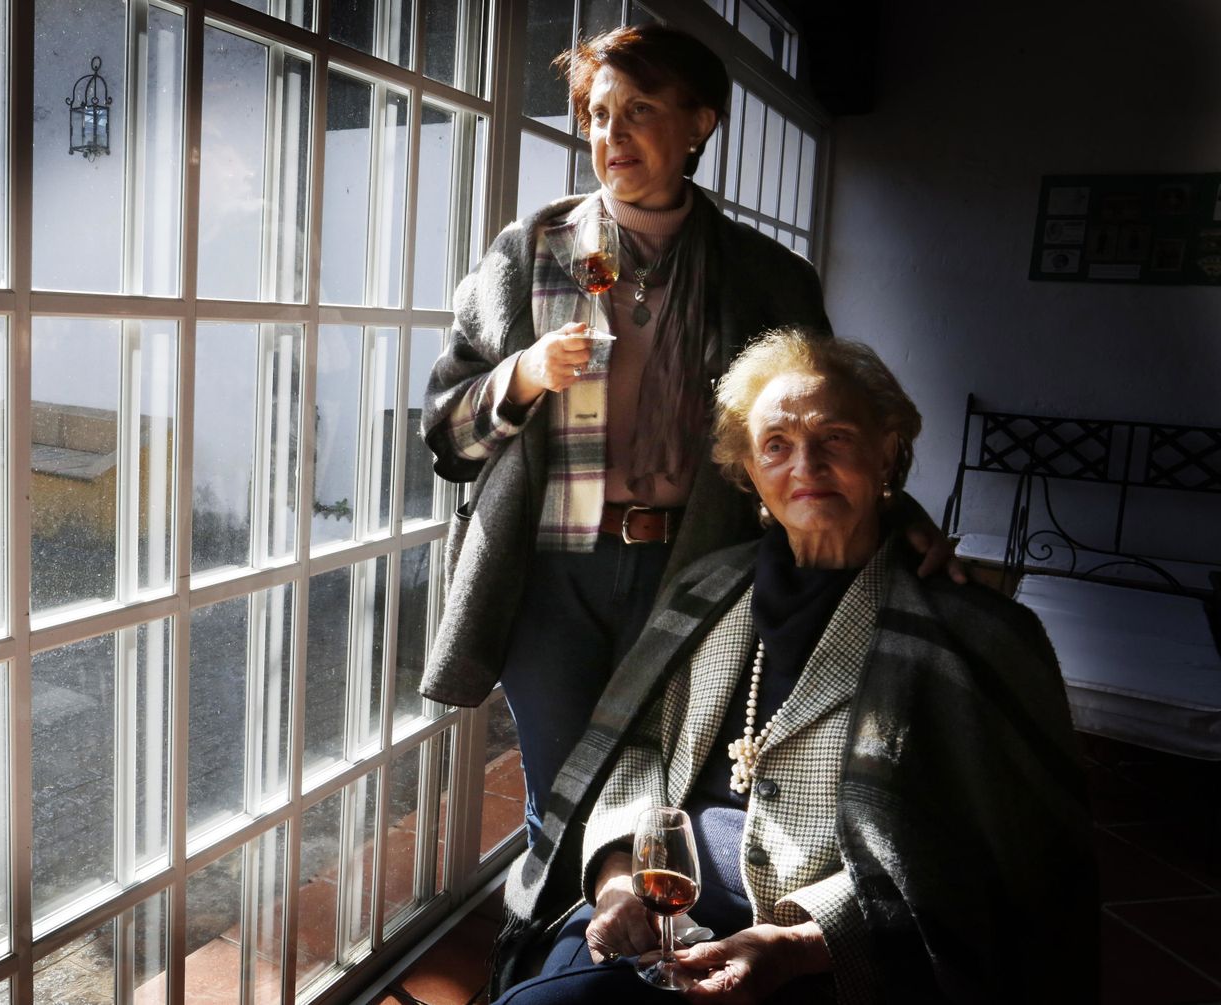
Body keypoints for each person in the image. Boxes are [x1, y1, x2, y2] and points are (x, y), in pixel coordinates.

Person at [489, 330, 1097, 1003]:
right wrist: (616, 879)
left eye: (834, 437)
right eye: (775, 445)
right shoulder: (705, 589)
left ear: (887, 451)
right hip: (655, 904)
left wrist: (793, 943)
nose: (805, 463)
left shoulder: (976, 634)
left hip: (834, 953)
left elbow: (980, 861)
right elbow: (639, 748)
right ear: (749, 472)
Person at [420, 24, 833, 841]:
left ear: (699, 125)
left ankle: (627, 961)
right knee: (564, 808)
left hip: (702, 574)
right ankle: (547, 961)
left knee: (665, 803)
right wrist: (524, 375)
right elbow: (443, 434)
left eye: (639, 109)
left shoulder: (767, 278)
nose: (612, 135)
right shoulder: (531, 254)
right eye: (599, 115)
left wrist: (899, 523)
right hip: (548, 576)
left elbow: (827, 431)